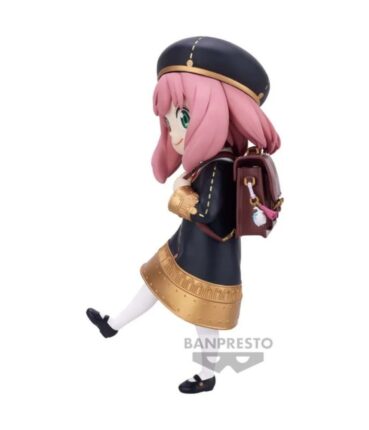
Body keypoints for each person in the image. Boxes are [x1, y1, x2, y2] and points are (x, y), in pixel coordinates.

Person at [86, 36, 281, 394]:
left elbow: (207, 212)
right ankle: (112, 324)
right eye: (170, 121)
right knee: (152, 281)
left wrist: (179, 193)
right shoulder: (212, 164)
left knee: (204, 320)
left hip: (207, 256)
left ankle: (207, 375)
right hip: (189, 248)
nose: (174, 132)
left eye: (184, 118)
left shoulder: (218, 167)